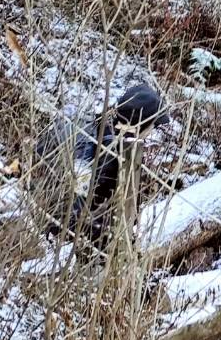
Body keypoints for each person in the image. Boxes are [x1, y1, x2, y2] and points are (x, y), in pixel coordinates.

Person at [38, 84, 170, 246]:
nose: (152, 131)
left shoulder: (101, 126)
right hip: (69, 234)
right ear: (143, 123)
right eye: (153, 125)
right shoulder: (117, 152)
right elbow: (94, 207)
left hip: (48, 208)